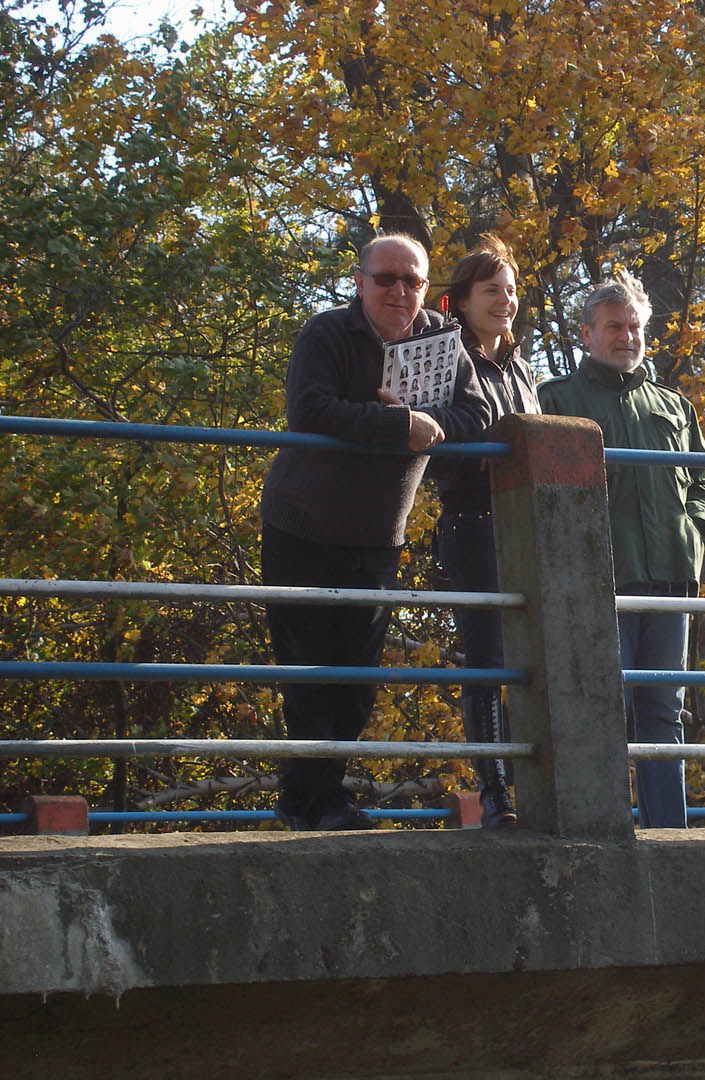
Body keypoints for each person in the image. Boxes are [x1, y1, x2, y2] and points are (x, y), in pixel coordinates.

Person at [260, 233, 487, 831]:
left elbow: (477, 413)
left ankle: (311, 800)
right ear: (359, 282)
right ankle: (315, 804)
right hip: (302, 528)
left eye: (412, 280)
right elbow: (310, 410)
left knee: (357, 684)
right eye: (386, 278)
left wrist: (424, 424)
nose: (399, 290)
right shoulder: (327, 334)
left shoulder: (443, 344)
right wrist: (395, 424)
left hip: (377, 538)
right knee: (309, 678)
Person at [538, 270, 705, 829]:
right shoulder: (556, 399)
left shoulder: (674, 404)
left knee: (664, 712)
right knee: (601, 708)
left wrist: (695, 531)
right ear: (587, 333)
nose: (627, 336)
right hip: (598, 582)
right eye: (614, 326)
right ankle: (604, 830)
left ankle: (670, 832)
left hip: (669, 578)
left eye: (635, 326)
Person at [427, 234, 540, 828]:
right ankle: (495, 795)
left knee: (535, 656)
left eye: (512, 290)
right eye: (491, 290)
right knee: (487, 659)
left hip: (528, 529)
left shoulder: (522, 365)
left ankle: (535, 787)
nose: (506, 300)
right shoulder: (448, 359)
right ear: (462, 301)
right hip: (472, 522)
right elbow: (436, 451)